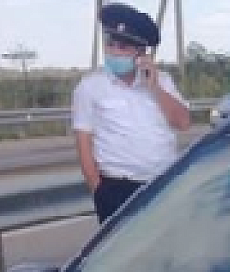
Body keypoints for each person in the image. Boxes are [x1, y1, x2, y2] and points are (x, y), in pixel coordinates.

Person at [71, 2, 190, 223]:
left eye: (123, 48)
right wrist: (98, 190)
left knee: (165, 253)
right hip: (116, 189)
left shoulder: (163, 82)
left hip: (163, 184)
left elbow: (183, 122)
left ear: (140, 53)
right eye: (111, 44)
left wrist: (154, 87)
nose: (115, 51)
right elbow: (83, 142)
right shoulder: (90, 86)